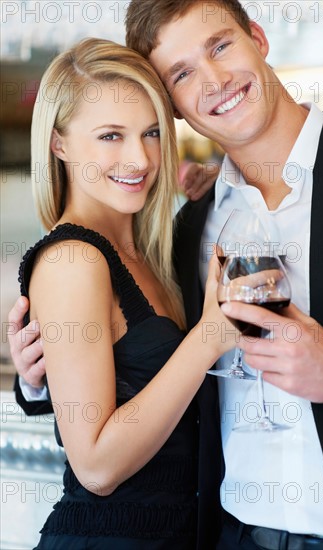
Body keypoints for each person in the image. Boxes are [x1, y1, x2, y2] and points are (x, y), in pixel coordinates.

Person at [8, 1, 323, 548]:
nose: (214, 80)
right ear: (175, 104)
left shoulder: (167, 231)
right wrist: (43, 375)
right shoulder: (192, 230)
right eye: (181, 74)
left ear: (258, 36)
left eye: (221, 45)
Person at [12, 36, 237, 549]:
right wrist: (208, 338)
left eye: (152, 132)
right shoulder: (73, 260)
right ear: (58, 142)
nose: (139, 157)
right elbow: (95, 467)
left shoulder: (153, 250)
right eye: (111, 136)